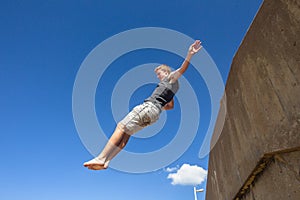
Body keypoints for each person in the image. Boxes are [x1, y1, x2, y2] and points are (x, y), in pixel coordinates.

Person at [83, 40, 202, 170]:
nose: (158, 76)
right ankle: (107, 161)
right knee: (127, 134)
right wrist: (161, 104)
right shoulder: (173, 88)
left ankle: (101, 158)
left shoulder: (170, 78)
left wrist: (189, 54)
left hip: (148, 107)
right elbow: (170, 106)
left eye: (159, 73)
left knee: (121, 127)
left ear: (166, 72)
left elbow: (182, 69)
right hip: (154, 116)